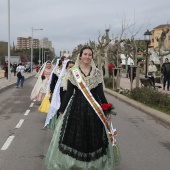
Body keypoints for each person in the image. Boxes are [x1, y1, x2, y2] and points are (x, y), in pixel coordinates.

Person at [45, 46, 121, 170]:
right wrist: (62, 110)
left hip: (94, 109)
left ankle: (93, 164)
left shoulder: (97, 73)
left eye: (89, 55)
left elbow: (100, 93)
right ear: (80, 56)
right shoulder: (73, 72)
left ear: (92, 57)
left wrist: (107, 109)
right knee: (75, 136)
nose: (87, 57)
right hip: (77, 107)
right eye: (85, 54)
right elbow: (69, 93)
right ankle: (75, 164)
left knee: (94, 137)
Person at [44, 60, 75, 129]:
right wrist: (52, 92)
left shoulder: (77, 76)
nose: (71, 69)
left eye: (73, 67)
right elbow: (54, 83)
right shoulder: (61, 75)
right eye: (69, 67)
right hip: (62, 94)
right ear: (66, 67)